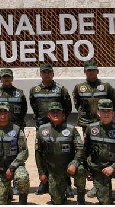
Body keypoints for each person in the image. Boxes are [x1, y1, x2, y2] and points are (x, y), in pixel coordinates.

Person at [73, 60, 115, 199]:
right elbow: (77, 105)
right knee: (88, 154)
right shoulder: (79, 87)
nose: (91, 72)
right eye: (88, 70)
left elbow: (114, 103)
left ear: (97, 71)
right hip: (86, 125)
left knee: (105, 153)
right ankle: (94, 184)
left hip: (103, 125)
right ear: (85, 71)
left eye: (93, 70)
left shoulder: (106, 87)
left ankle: (107, 183)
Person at [77, 98, 115, 205]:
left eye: (108, 111)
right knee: (105, 202)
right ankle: (108, 194)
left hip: (113, 167)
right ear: (98, 113)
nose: (106, 114)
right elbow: (85, 151)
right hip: (97, 169)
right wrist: (87, 168)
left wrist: (112, 167)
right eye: (103, 111)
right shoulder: (90, 129)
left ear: (113, 114)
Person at [29, 62, 72, 196]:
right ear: (40, 74)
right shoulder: (34, 90)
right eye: (44, 72)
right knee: (41, 154)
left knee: (64, 153)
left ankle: (66, 185)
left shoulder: (61, 90)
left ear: (53, 74)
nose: (47, 74)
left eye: (49, 72)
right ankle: (44, 183)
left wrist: (60, 120)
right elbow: (34, 107)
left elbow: (68, 107)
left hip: (59, 127)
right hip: (42, 128)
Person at [34, 102, 86, 205]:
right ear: (48, 115)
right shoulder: (41, 130)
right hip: (53, 170)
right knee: (58, 202)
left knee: (80, 170)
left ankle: (80, 198)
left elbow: (80, 149)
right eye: (53, 112)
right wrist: (41, 172)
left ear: (63, 115)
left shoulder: (71, 129)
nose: (56, 114)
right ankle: (63, 191)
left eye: (58, 112)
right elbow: (38, 153)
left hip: (69, 167)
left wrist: (74, 163)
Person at [0, 103, 30, 205]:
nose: (3, 114)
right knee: (0, 202)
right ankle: (7, 191)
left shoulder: (17, 129)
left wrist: (12, 167)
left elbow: (24, 151)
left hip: (15, 167)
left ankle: (23, 198)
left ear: (9, 114)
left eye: (5, 112)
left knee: (22, 177)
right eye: (0, 112)